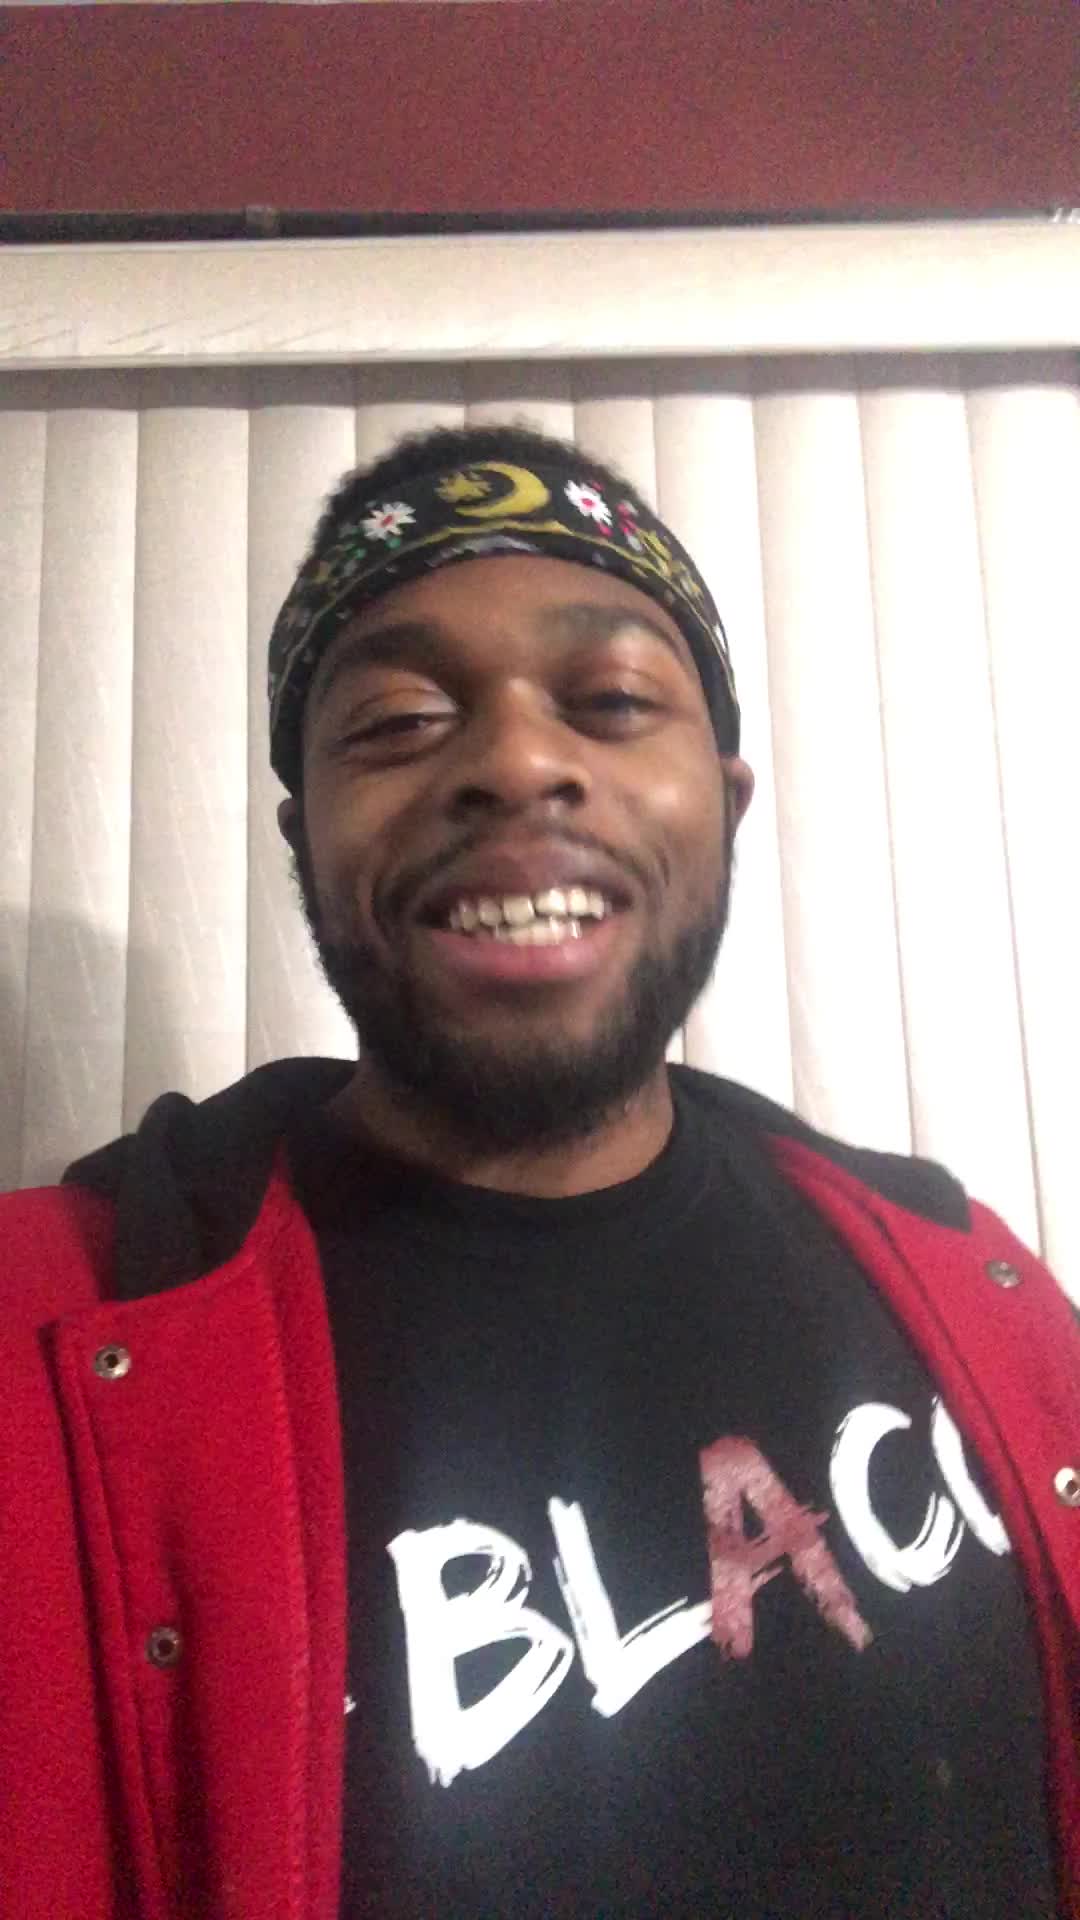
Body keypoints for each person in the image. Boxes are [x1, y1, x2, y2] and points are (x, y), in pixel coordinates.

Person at [3, 423, 1078, 1920]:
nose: (515, 762)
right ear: (308, 841)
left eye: (614, 701)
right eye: (397, 720)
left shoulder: (976, 1277)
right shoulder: (44, 1351)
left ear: (726, 804)